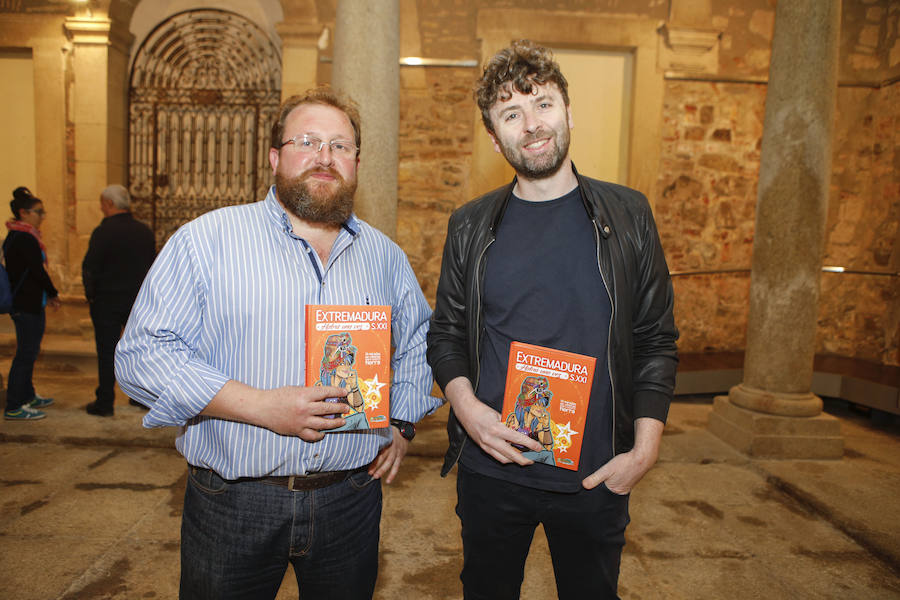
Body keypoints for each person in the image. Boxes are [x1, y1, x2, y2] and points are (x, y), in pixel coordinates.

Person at [115, 87, 439, 599]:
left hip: (351, 499)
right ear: (274, 157)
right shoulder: (207, 241)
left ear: (356, 162)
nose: (324, 157)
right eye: (307, 141)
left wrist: (401, 419)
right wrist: (262, 407)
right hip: (233, 504)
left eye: (340, 146)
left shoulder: (385, 257)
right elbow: (141, 355)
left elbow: (419, 340)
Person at [426, 40, 678, 599]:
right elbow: (445, 334)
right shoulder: (470, 226)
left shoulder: (629, 213)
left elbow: (656, 337)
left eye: (542, 103)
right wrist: (468, 413)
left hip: (596, 474)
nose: (532, 124)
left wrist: (645, 447)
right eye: (511, 114)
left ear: (568, 110)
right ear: (495, 137)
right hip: (493, 471)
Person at [82, 184, 155, 417]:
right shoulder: (144, 232)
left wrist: (91, 295)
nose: (101, 207)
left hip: (106, 302)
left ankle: (105, 402)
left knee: (106, 352)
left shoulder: (102, 232)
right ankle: (140, 397)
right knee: (138, 350)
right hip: (137, 302)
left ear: (110, 204)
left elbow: (89, 267)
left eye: (102, 202)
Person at [3, 187, 60, 421]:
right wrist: (54, 293)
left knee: (30, 351)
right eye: (39, 212)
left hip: (29, 303)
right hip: (26, 304)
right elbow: (37, 271)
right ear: (24, 213)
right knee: (26, 354)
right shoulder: (25, 238)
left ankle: (27, 395)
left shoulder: (19, 235)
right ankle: (14, 405)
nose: (42, 216)